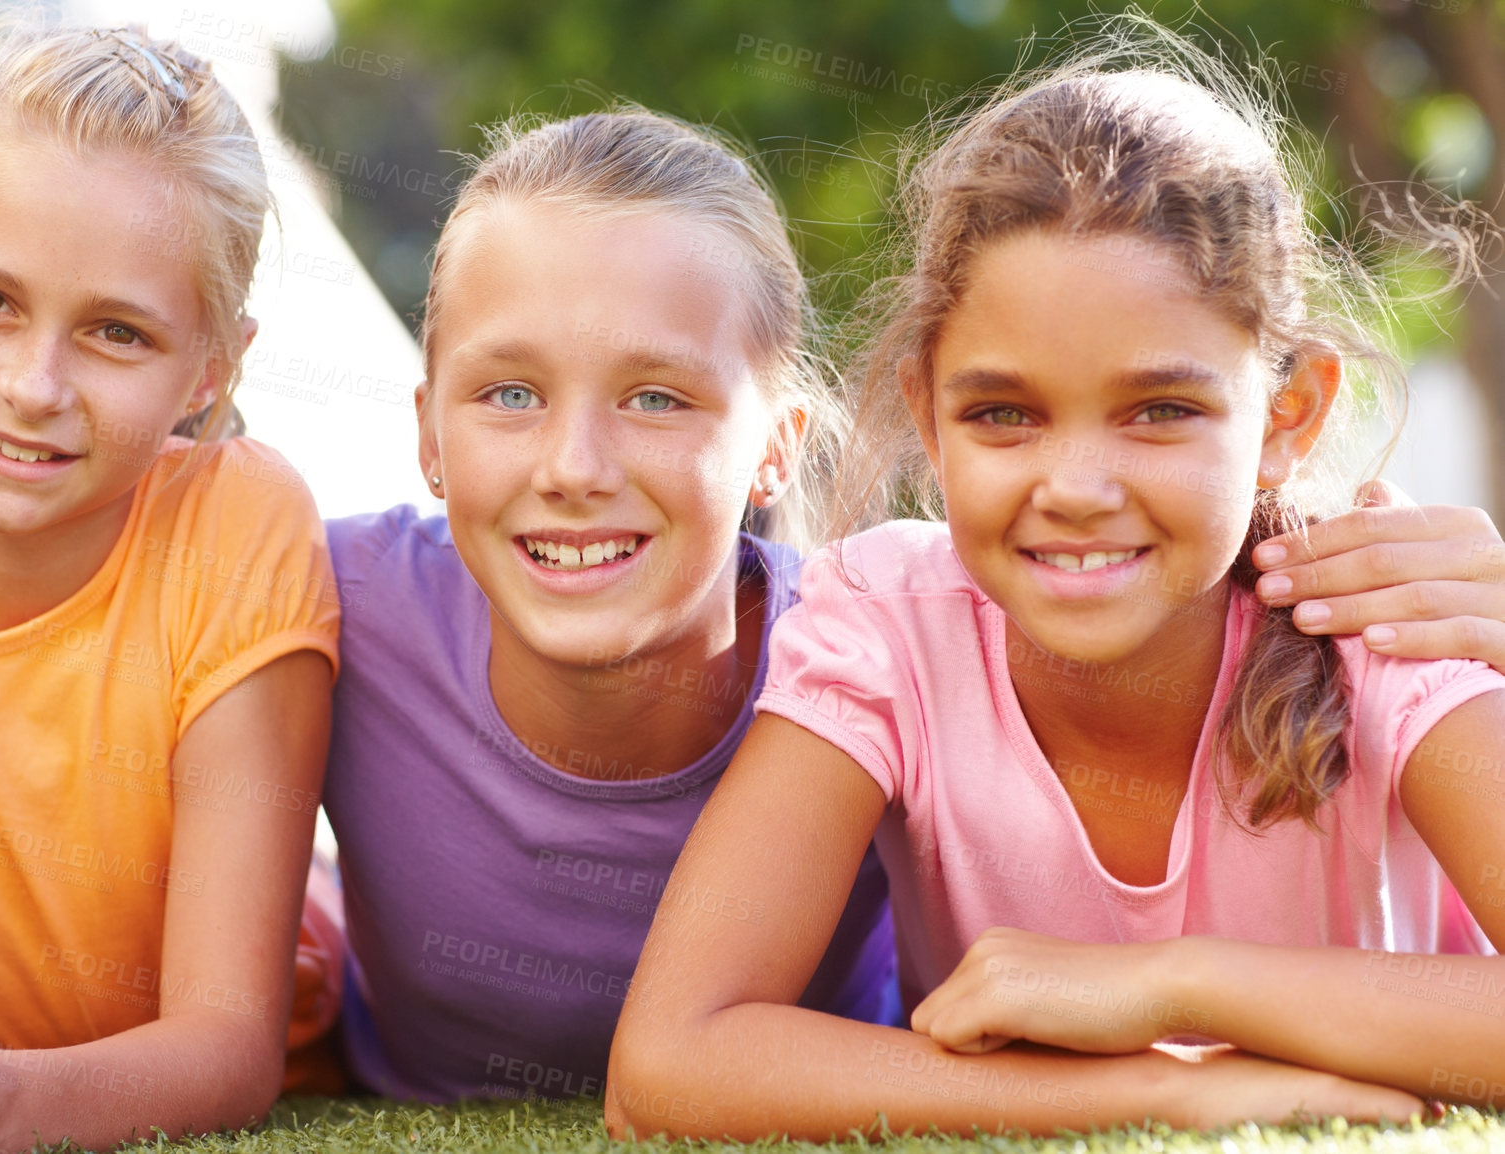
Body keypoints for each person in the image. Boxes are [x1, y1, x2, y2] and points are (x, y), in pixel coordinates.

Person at [609, 41, 1505, 1140]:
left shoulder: (1381, 612)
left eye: (1159, 410)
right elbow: (668, 1060)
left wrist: (1180, 985)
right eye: (1002, 414)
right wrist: (1159, 1087)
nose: (1075, 488)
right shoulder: (888, 626)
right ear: (927, 415)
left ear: (1288, 415)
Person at [0, 19, 341, 1154]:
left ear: (208, 373)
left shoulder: (240, 521)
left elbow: (226, 1047)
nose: (33, 386)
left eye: (116, 332)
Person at [319, 109, 898, 1104]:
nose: (573, 467)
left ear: (776, 440)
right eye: (509, 393)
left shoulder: (889, 656)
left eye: (656, 398)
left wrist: (1268, 559)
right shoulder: (331, 602)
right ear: (428, 435)